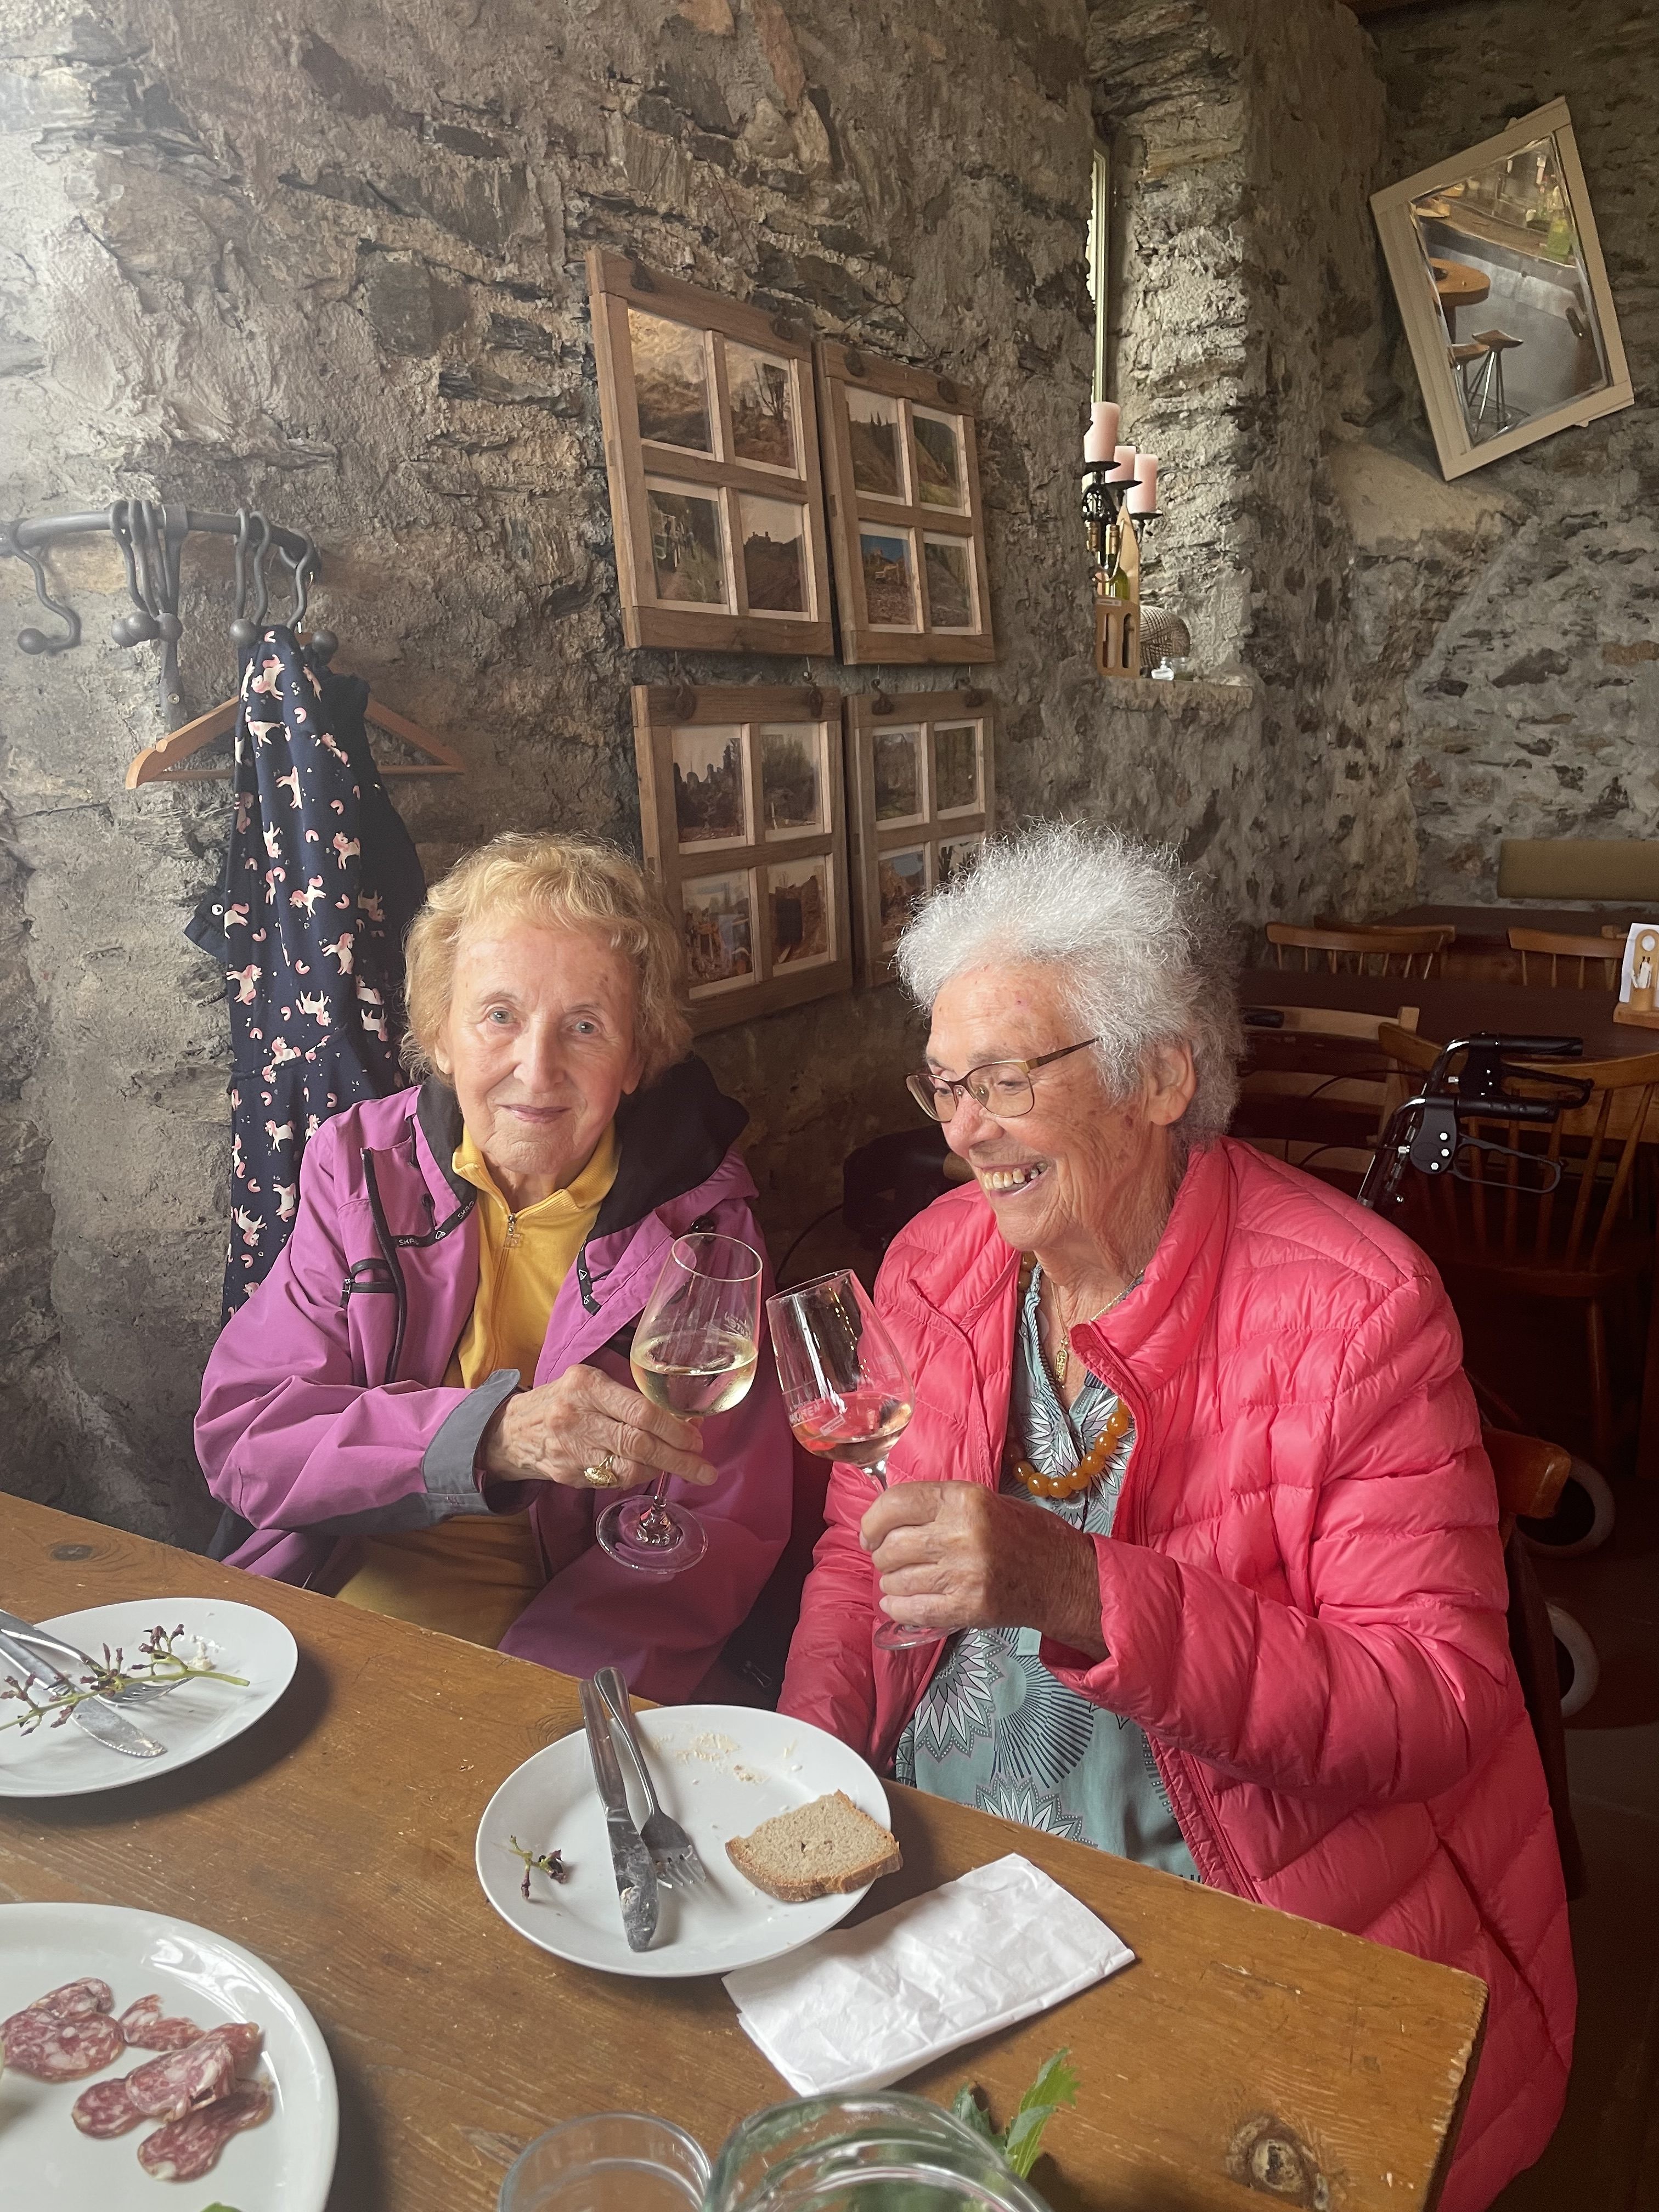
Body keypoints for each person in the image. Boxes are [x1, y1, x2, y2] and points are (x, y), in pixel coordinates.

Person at [780, 822, 1573, 2212]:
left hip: (1233, 1891)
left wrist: (1083, 1590)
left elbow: (1435, 1703)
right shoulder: (936, 1262)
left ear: (1159, 1075)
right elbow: (864, 1555)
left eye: (1007, 1081)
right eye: (946, 1083)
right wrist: (811, 1777)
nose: (961, 1131)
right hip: (944, 1859)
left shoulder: (1359, 1310)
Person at [198, 832, 791, 1700]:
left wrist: (539, 1705)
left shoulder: (704, 1230)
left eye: (585, 1027)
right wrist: (489, 1437)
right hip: (326, 1605)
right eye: (499, 1016)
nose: (536, 1070)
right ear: (440, 1033)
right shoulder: (360, 1169)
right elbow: (248, 1436)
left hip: (563, 1646)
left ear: (636, 1058)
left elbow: (720, 1526)